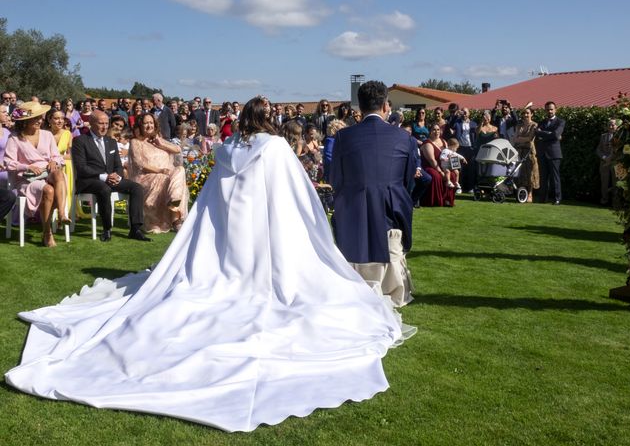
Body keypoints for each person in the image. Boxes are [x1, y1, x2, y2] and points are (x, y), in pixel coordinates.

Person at [5, 96, 410, 432]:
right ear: (267, 120)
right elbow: (294, 196)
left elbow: (213, 202)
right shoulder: (275, 148)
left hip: (229, 236)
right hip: (267, 232)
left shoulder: (227, 150)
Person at [330, 80, 416, 307]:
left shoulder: (343, 137)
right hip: (390, 210)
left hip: (353, 210)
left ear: (359, 108)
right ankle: (393, 288)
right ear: (386, 106)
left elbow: (335, 177)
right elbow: (407, 181)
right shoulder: (404, 138)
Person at [71, 111, 150, 242]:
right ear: (91, 123)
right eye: (101, 123)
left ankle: (135, 229)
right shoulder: (80, 141)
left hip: (110, 179)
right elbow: (81, 167)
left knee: (136, 188)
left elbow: (118, 165)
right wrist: (103, 177)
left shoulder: (111, 141)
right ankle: (107, 229)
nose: (104, 127)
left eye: (106, 123)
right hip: (89, 181)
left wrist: (117, 176)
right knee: (104, 189)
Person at [3, 102, 70, 247]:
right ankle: (47, 233)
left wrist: (54, 162)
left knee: (59, 174)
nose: (40, 120)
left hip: (49, 173)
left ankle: (62, 214)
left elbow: (57, 157)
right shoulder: (14, 138)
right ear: (25, 121)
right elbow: (8, 162)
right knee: (48, 190)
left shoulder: (47, 135)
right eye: (36, 118)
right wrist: (27, 166)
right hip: (26, 180)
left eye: (40, 117)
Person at [129, 113, 188, 233]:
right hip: (146, 176)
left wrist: (161, 144)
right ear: (140, 125)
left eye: (151, 122)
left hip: (167, 175)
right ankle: (176, 220)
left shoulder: (159, 140)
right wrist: (160, 170)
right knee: (165, 179)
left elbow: (178, 149)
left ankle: (174, 202)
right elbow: (138, 163)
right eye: (146, 123)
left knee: (180, 170)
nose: (149, 125)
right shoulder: (136, 142)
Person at [44, 109, 75, 216]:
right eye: (56, 118)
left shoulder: (67, 134)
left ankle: (64, 211)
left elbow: (71, 155)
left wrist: (58, 158)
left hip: (63, 165)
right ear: (49, 120)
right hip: (46, 165)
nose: (60, 121)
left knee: (67, 164)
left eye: (62, 118)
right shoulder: (44, 134)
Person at [419, 124, 457, 207]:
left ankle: (447, 200)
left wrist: (453, 167)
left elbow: (450, 154)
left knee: (453, 174)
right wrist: (440, 172)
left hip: (444, 165)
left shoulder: (444, 142)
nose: (436, 132)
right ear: (430, 131)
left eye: (438, 129)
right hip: (430, 167)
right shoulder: (427, 143)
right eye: (434, 129)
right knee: (436, 176)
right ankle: (436, 201)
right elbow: (432, 160)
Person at [535, 101, 565, 205]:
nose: (550, 111)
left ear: (555, 109)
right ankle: (542, 198)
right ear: (545, 110)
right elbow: (537, 133)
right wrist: (549, 134)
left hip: (554, 154)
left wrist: (543, 133)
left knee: (555, 178)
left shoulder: (560, 122)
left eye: (551, 109)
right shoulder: (542, 122)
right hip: (542, 153)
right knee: (543, 177)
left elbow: (556, 134)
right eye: (548, 109)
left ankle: (557, 198)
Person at [512, 106, 540, 202]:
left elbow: (530, 138)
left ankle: (530, 194)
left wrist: (520, 138)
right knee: (520, 173)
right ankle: (523, 192)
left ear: (531, 114)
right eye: (524, 113)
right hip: (519, 151)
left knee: (531, 173)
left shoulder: (534, 125)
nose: (526, 115)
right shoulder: (519, 126)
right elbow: (514, 139)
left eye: (527, 113)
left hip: (530, 152)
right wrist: (520, 139)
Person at [596, 119, 618, 205]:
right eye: (609, 125)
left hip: (615, 163)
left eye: (613, 125)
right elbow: (598, 149)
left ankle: (616, 202)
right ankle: (604, 200)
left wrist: (611, 157)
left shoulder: (620, 136)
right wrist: (605, 157)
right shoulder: (603, 136)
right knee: (604, 182)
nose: (611, 126)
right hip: (604, 162)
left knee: (616, 183)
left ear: (617, 126)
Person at [454, 107, 477, 192]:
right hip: (460, 148)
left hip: (470, 148)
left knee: (471, 169)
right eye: (463, 112)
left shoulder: (474, 124)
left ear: (469, 113)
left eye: (466, 112)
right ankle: (459, 187)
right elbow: (451, 125)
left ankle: (471, 187)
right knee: (460, 168)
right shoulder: (457, 122)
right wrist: (456, 116)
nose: (464, 113)